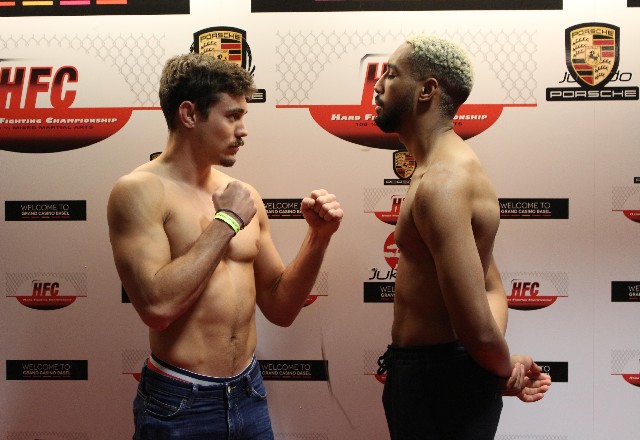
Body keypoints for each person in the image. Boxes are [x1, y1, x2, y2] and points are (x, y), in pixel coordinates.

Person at [107, 53, 343, 439]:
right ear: (189, 114)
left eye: (243, 116)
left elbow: (281, 308)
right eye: (232, 116)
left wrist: (318, 238)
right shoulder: (140, 191)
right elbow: (157, 308)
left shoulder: (243, 194)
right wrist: (228, 221)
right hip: (180, 400)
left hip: (248, 391)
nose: (243, 130)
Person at [373, 35, 551, 439]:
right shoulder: (445, 168)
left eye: (391, 74)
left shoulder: (443, 183)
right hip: (443, 375)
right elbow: (489, 284)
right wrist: (496, 367)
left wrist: (499, 368)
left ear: (427, 90)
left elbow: (478, 330)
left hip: (439, 385)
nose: (378, 85)